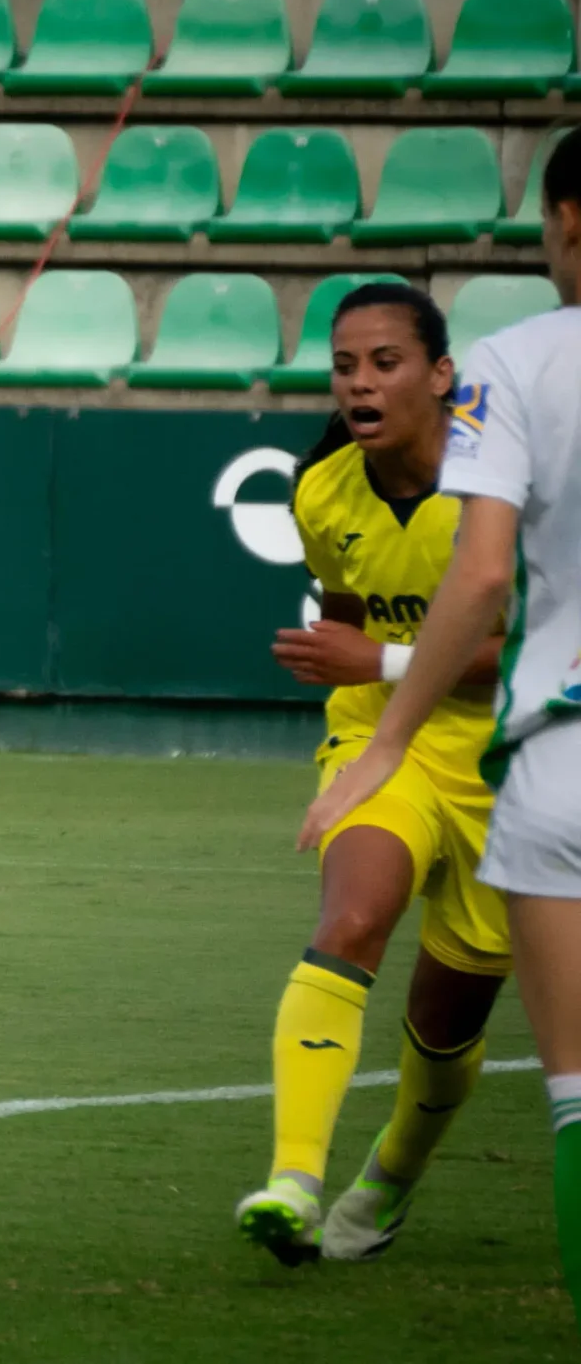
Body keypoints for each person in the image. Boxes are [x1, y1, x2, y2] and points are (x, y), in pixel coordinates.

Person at [305, 129, 581, 1326]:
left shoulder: (522, 365)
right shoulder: (332, 488)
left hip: (552, 757)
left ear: (564, 224)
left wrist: (382, 721)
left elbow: (480, 582)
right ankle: (338, 1176)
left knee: (574, 1086)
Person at [238, 284, 510, 1267]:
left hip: (502, 760)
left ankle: (390, 1172)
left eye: (384, 362)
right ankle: (294, 1183)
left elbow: (535, 651)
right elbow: (351, 621)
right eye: (344, 365)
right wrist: (350, 661)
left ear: (440, 375)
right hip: (376, 740)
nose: (359, 382)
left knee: (444, 1023)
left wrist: (381, 660)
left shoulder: (503, 486)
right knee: (349, 921)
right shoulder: (322, 490)